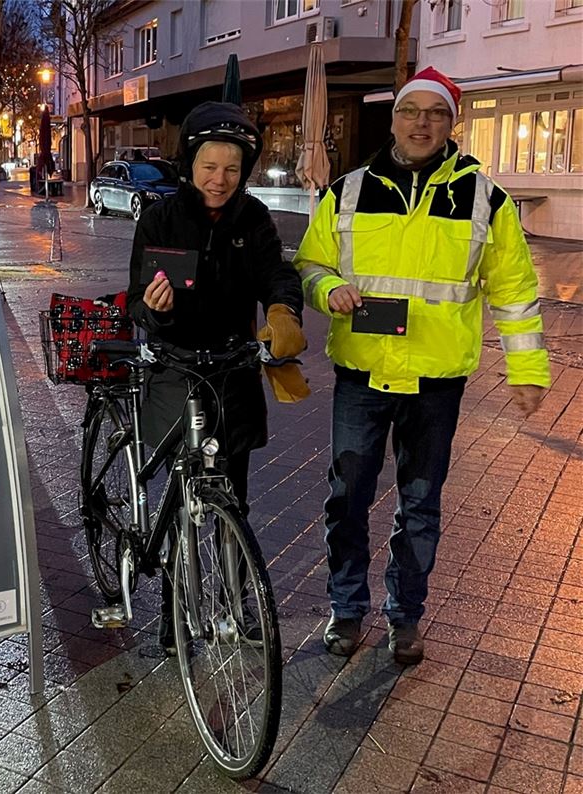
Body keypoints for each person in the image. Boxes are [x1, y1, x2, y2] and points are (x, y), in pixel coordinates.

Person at [294, 67, 550, 665]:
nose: (422, 123)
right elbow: (308, 264)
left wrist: (529, 370)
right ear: (394, 120)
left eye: (436, 114)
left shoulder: (486, 199)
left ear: (450, 125)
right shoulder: (348, 191)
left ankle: (405, 617)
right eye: (412, 111)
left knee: (421, 505)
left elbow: (513, 289)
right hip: (362, 372)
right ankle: (346, 609)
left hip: (436, 380)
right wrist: (327, 287)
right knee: (347, 499)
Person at [127, 101, 307, 653]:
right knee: (182, 491)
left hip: (230, 367)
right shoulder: (159, 217)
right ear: (190, 162)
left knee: (233, 491)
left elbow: (276, 273)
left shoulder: (252, 218)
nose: (220, 179)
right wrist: (155, 310)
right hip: (176, 361)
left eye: (231, 168)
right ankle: (173, 606)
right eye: (209, 166)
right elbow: (136, 298)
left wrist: (283, 310)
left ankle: (234, 595)